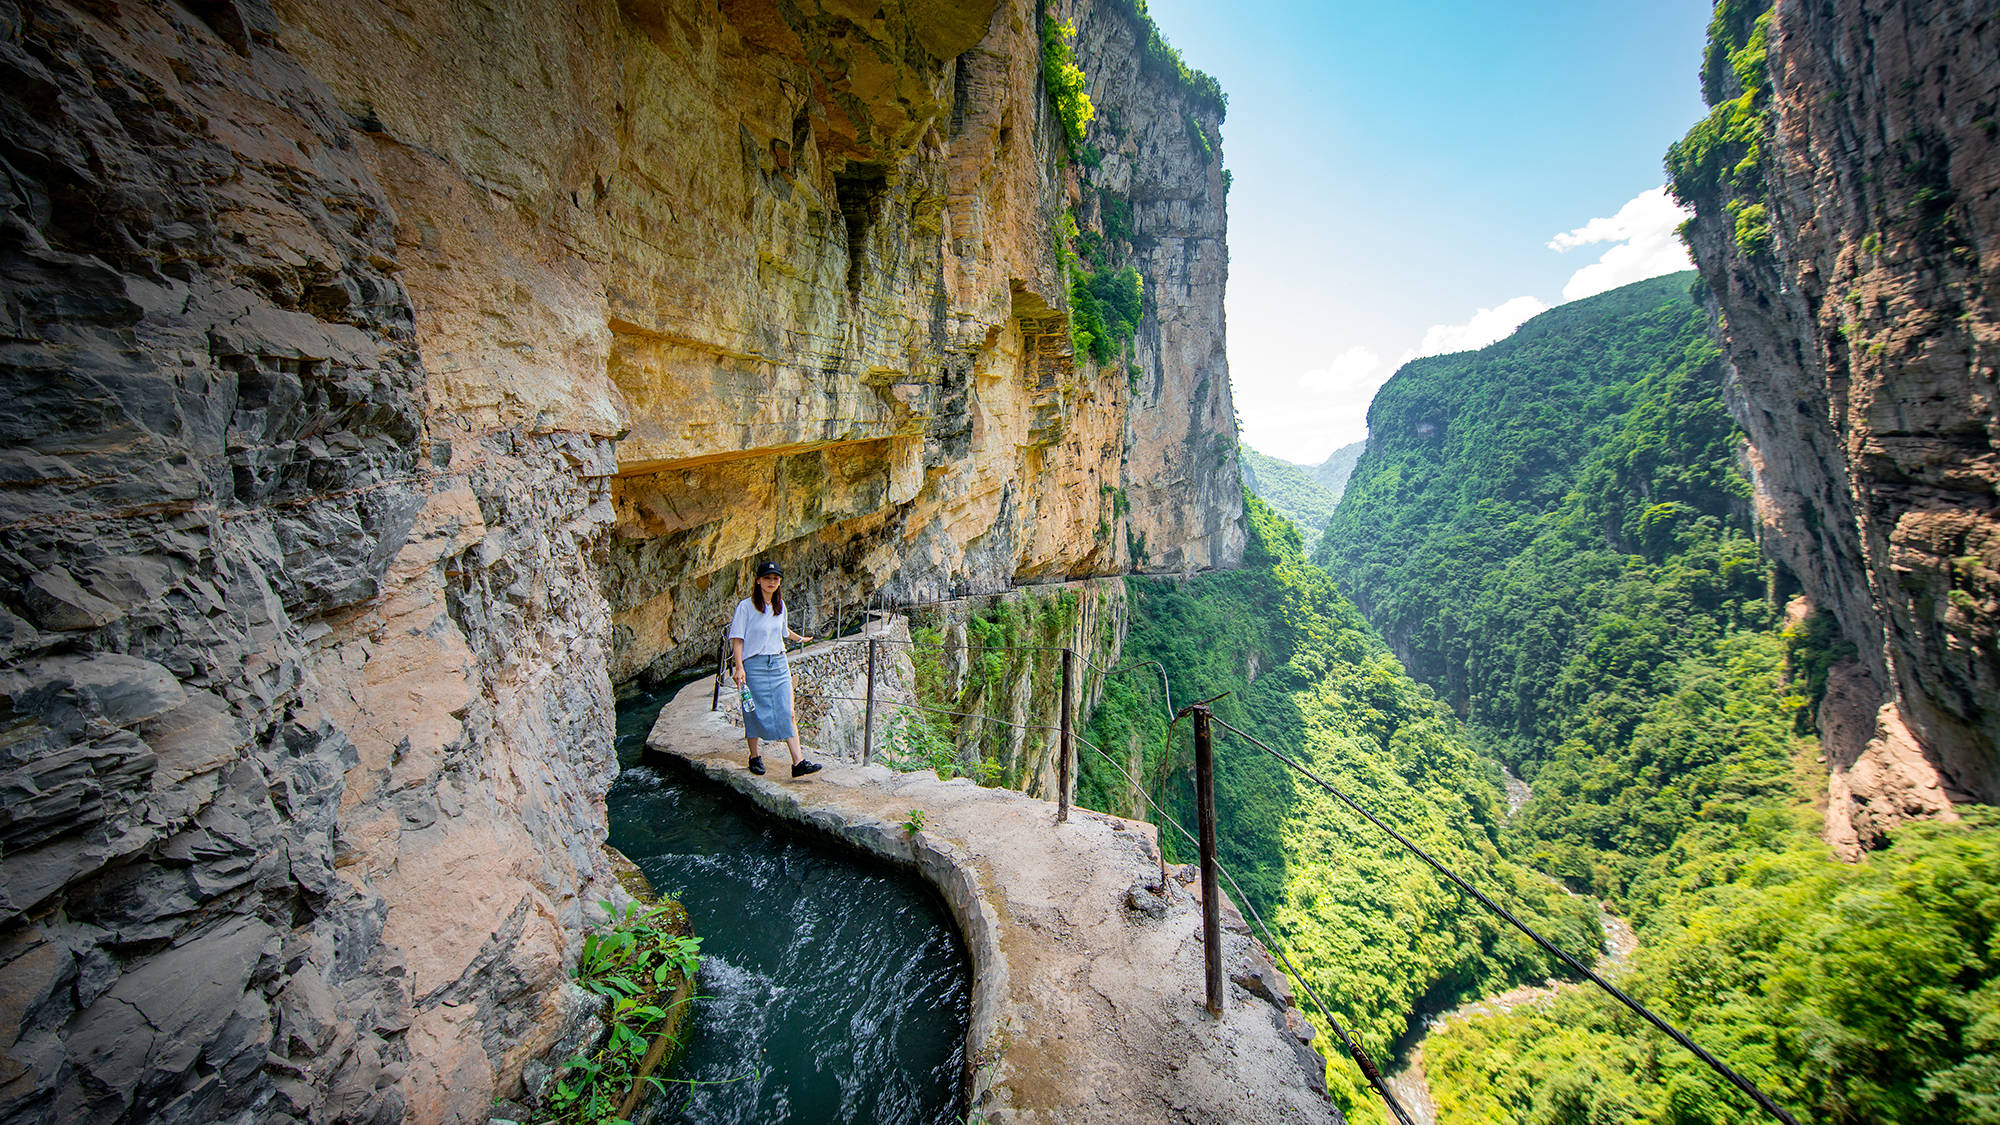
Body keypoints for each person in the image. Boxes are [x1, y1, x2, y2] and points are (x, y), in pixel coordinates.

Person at [729, 560, 821, 778]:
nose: (772, 582)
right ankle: (754, 756)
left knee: (788, 711)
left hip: (778, 663)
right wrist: (739, 667)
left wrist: (800, 638)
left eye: (776, 579)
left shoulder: (779, 605)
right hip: (755, 665)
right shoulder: (746, 606)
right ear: (758, 580)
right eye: (768, 578)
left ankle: (798, 763)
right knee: (752, 711)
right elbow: (738, 639)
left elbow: (783, 630)